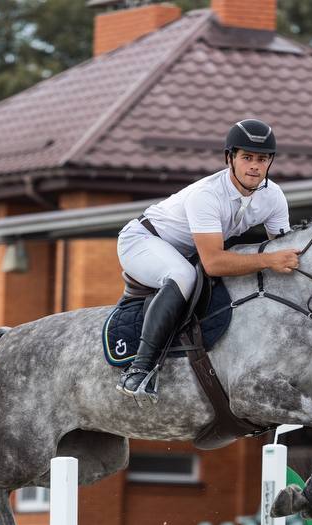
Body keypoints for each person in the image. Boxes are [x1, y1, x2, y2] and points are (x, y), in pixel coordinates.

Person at [114, 119, 298, 400]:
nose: (254, 166)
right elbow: (213, 262)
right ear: (230, 159)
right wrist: (269, 260)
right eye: (247, 157)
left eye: (262, 159)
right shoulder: (207, 194)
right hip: (143, 240)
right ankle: (140, 369)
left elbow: (285, 247)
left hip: (184, 251)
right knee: (183, 276)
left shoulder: (273, 197)